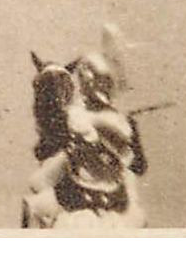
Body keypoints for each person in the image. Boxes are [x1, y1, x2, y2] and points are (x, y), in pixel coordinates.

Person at [25, 25, 147, 228]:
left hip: (94, 201)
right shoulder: (84, 117)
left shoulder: (77, 118)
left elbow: (137, 165)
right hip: (101, 196)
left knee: (37, 202)